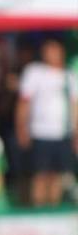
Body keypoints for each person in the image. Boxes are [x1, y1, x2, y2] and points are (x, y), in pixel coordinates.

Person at [16, 38, 77, 207]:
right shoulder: (34, 72)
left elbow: (74, 106)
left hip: (63, 133)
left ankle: (53, 210)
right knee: (39, 174)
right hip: (40, 132)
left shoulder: (68, 76)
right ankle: (38, 209)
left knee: (57, 175)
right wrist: (21, 127)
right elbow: (23, 103)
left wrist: (76, 132)